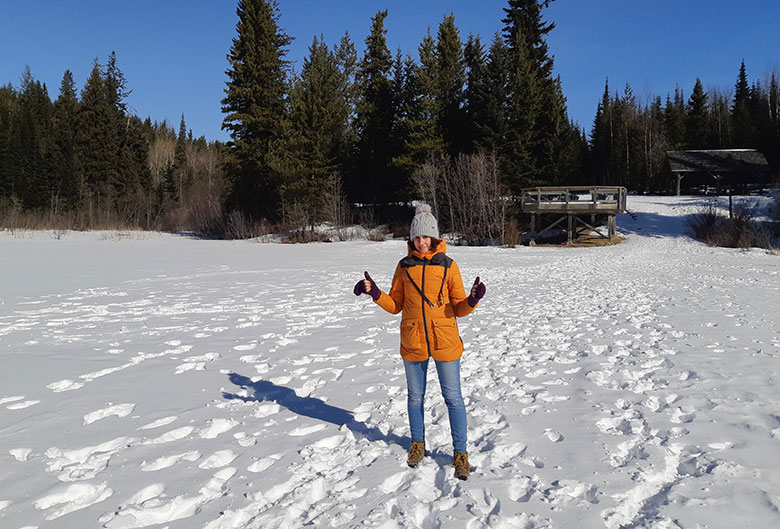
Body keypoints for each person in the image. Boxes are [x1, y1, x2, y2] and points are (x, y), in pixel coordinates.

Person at [353, 204, 485, 480]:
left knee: (453, 398)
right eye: (417, 237)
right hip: (413, 341)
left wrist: (472, 299)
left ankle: (460, 453)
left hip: (445, 340)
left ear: (435, 238)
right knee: (415, 398)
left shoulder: (448, 266)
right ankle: (418, 445)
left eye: (426, 237)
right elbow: (395, 305)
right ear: (412, 239)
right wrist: (375, 292)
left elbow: (458, 307)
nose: (421, 242)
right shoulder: (404, 267)